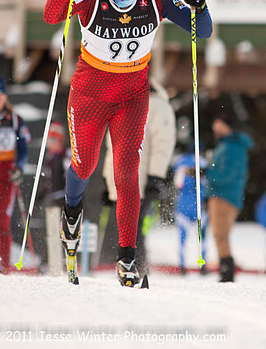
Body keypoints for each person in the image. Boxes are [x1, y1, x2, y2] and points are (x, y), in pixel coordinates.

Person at [43, 0, 212, 286]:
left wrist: (199, 5)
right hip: (89, 96)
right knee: (85, 164)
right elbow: (51, 15)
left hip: (132, 98)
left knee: (127, 173)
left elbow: (203, 30)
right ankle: (71, 211)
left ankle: (127, 259)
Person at [101, 78, 176, 273]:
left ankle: (138, 267)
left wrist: (155, 176)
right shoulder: (121, 103)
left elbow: (163, 143)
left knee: (134, 228)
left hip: (140, 180)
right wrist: (107, 180)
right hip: (120, 178)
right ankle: (128, 266)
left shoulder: (157, 104)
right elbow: (112, 146)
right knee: (125, 227)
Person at [0, 77, 30, 273]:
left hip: (5, 177)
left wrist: (19, 168)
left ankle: (3, 264)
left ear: (5, 97)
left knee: (2, 221)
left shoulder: (14, 119)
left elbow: (23, 149)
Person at [206, 112, 253, 282]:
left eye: (220, 125)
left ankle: (227, 271)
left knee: (221, 234)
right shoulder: (227, 145)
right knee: (220, 234)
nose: (215, 129)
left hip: (224, 196)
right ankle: (226, 270)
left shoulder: (231, 147)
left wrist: (207, 173)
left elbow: (227, 175)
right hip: (223, 195)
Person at [33, 120, 68, 271]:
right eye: (50, 140)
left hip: (63, 199)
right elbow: (46, 180)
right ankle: (48, 260)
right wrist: (37, 199)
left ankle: (65, 260)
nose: (52, 144)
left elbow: (70, 178)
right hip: (51, 199)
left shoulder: (65, 155)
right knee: (51, 230)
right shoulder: (49, 157)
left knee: (64, 231)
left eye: (55, 140)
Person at [173, 145, 208, 274]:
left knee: (183, 238)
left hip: (184, 205)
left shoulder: (180, 163)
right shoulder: (202, 162)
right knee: (202, 238)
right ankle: (202, 264)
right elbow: (207, 181)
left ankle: (182, 266)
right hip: (198, 205)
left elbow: (178, 183)